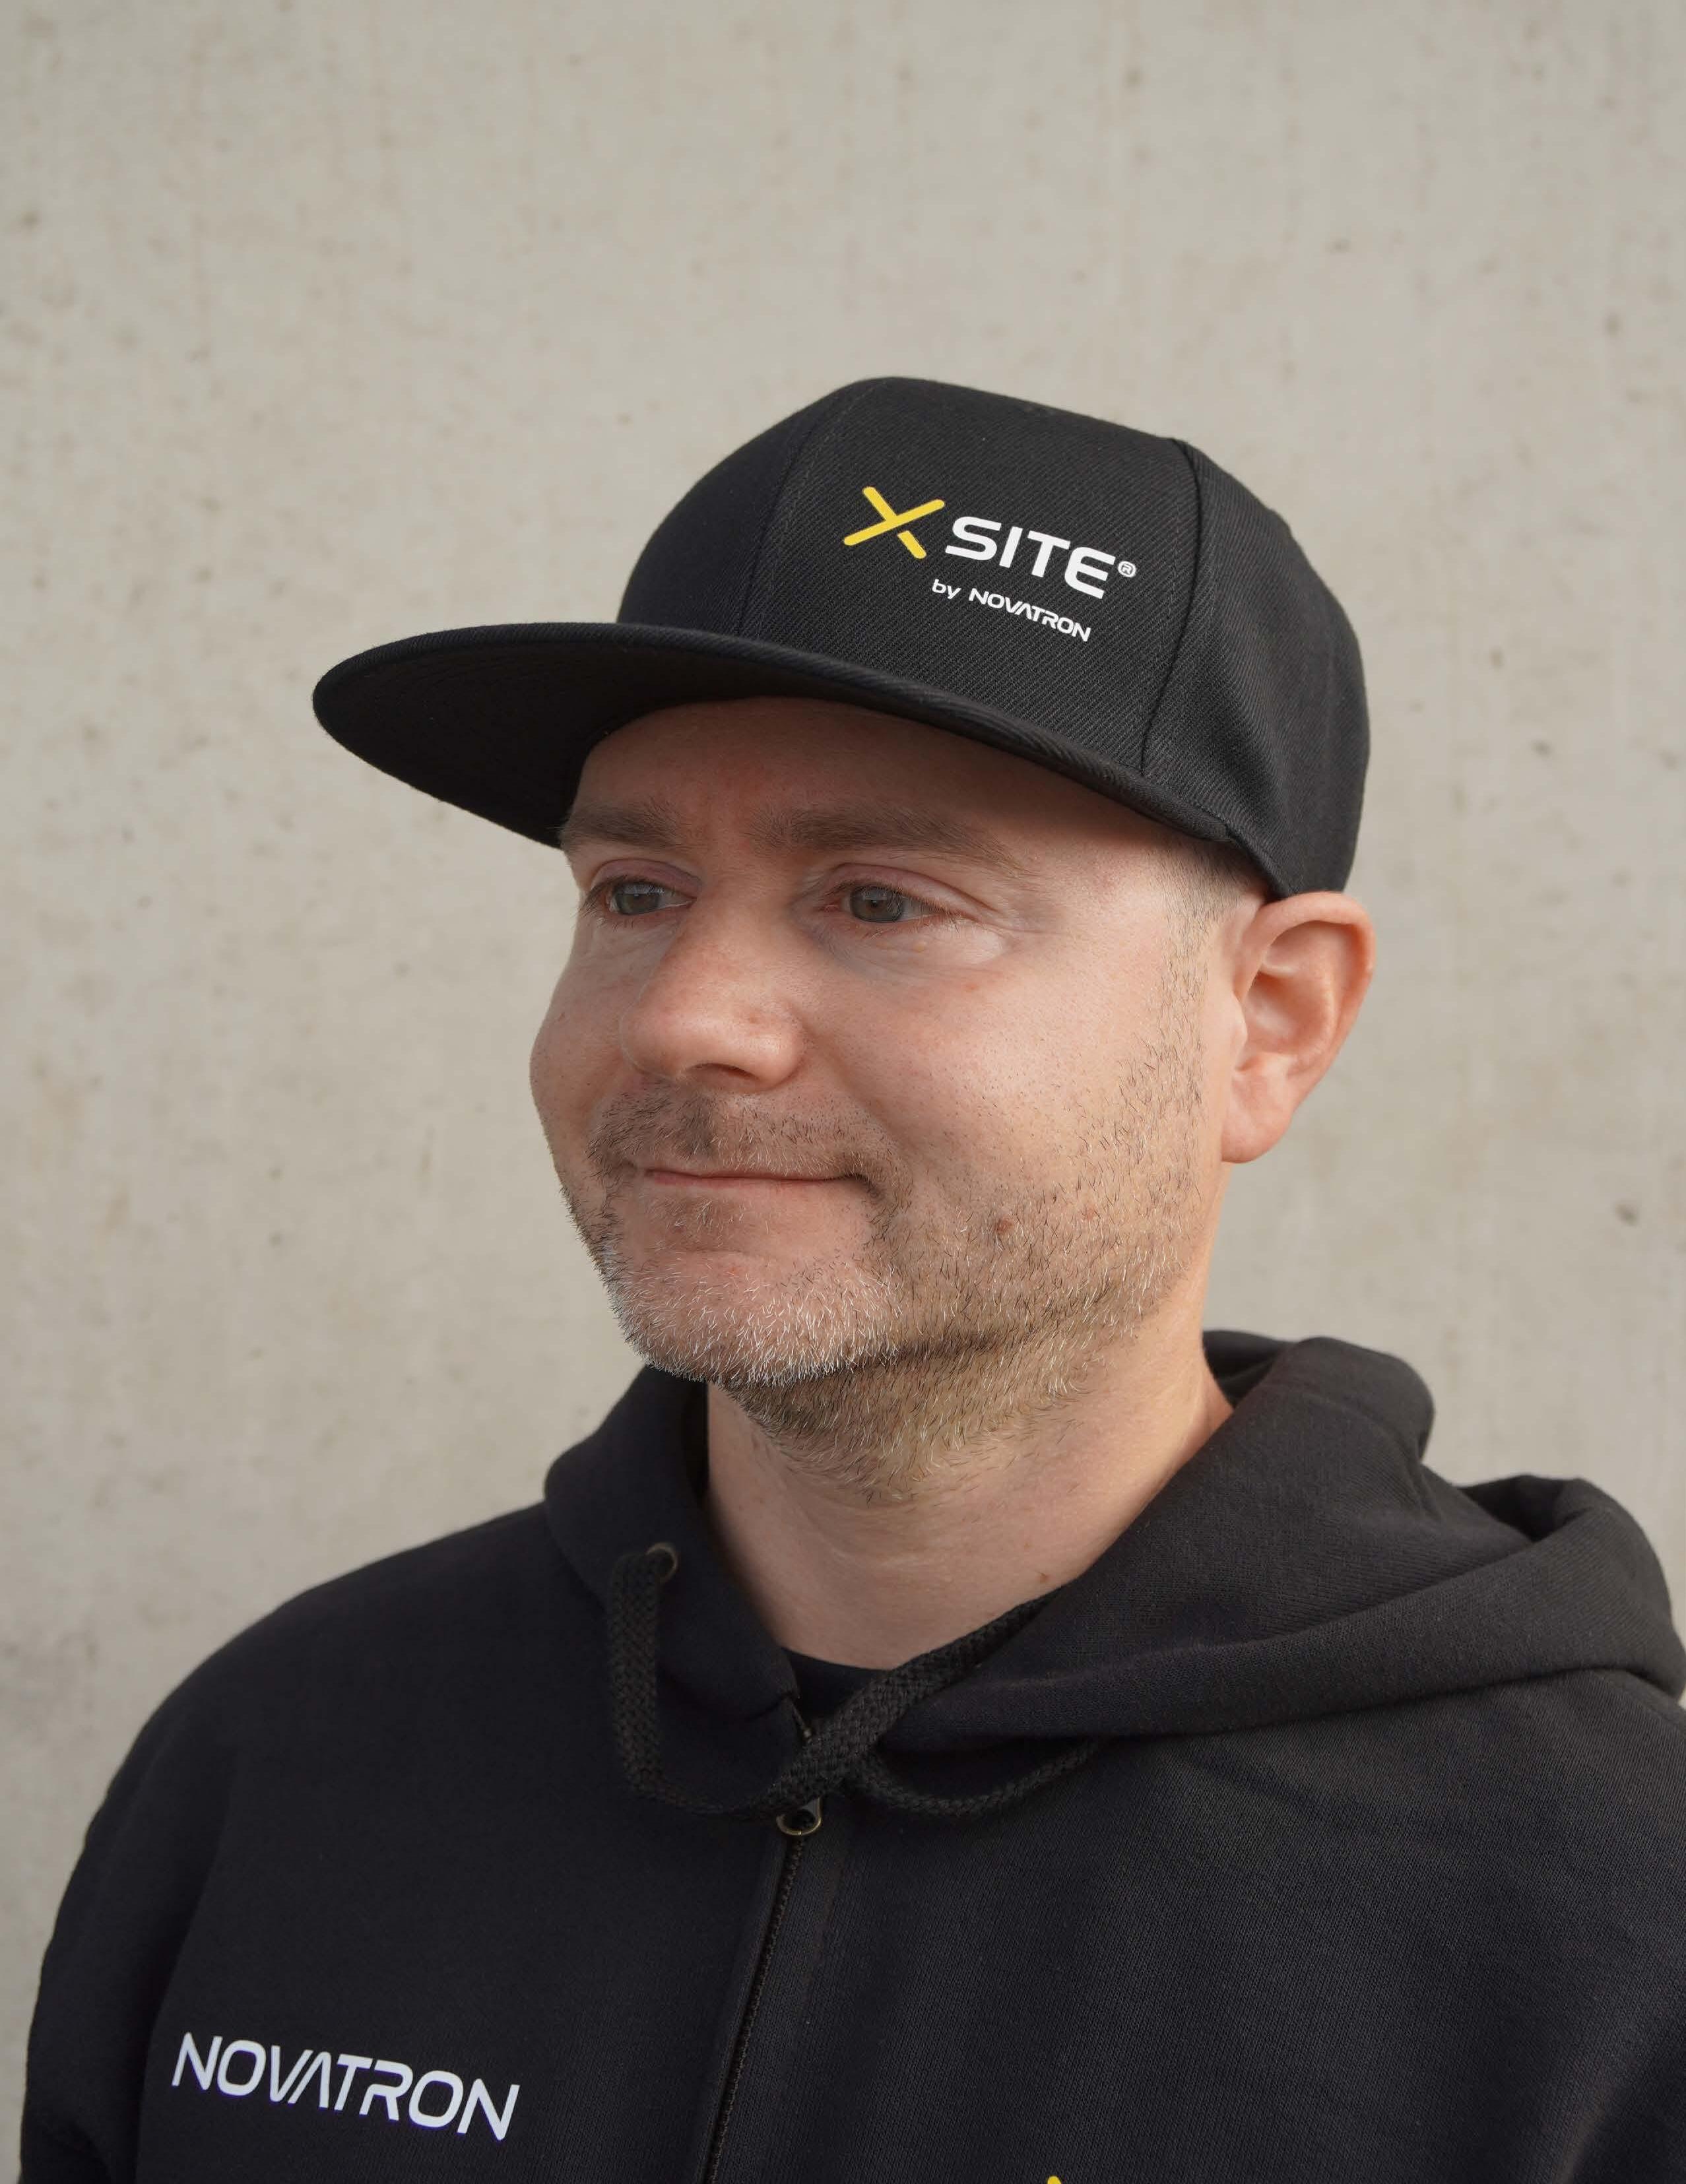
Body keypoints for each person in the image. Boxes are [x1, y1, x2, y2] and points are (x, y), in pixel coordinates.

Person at [21, 377, 1686, 2183]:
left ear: (1268, 1021)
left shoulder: (1608, 1919)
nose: (686, 1020)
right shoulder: (285, 1758)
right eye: (635, 891)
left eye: (881, 900)